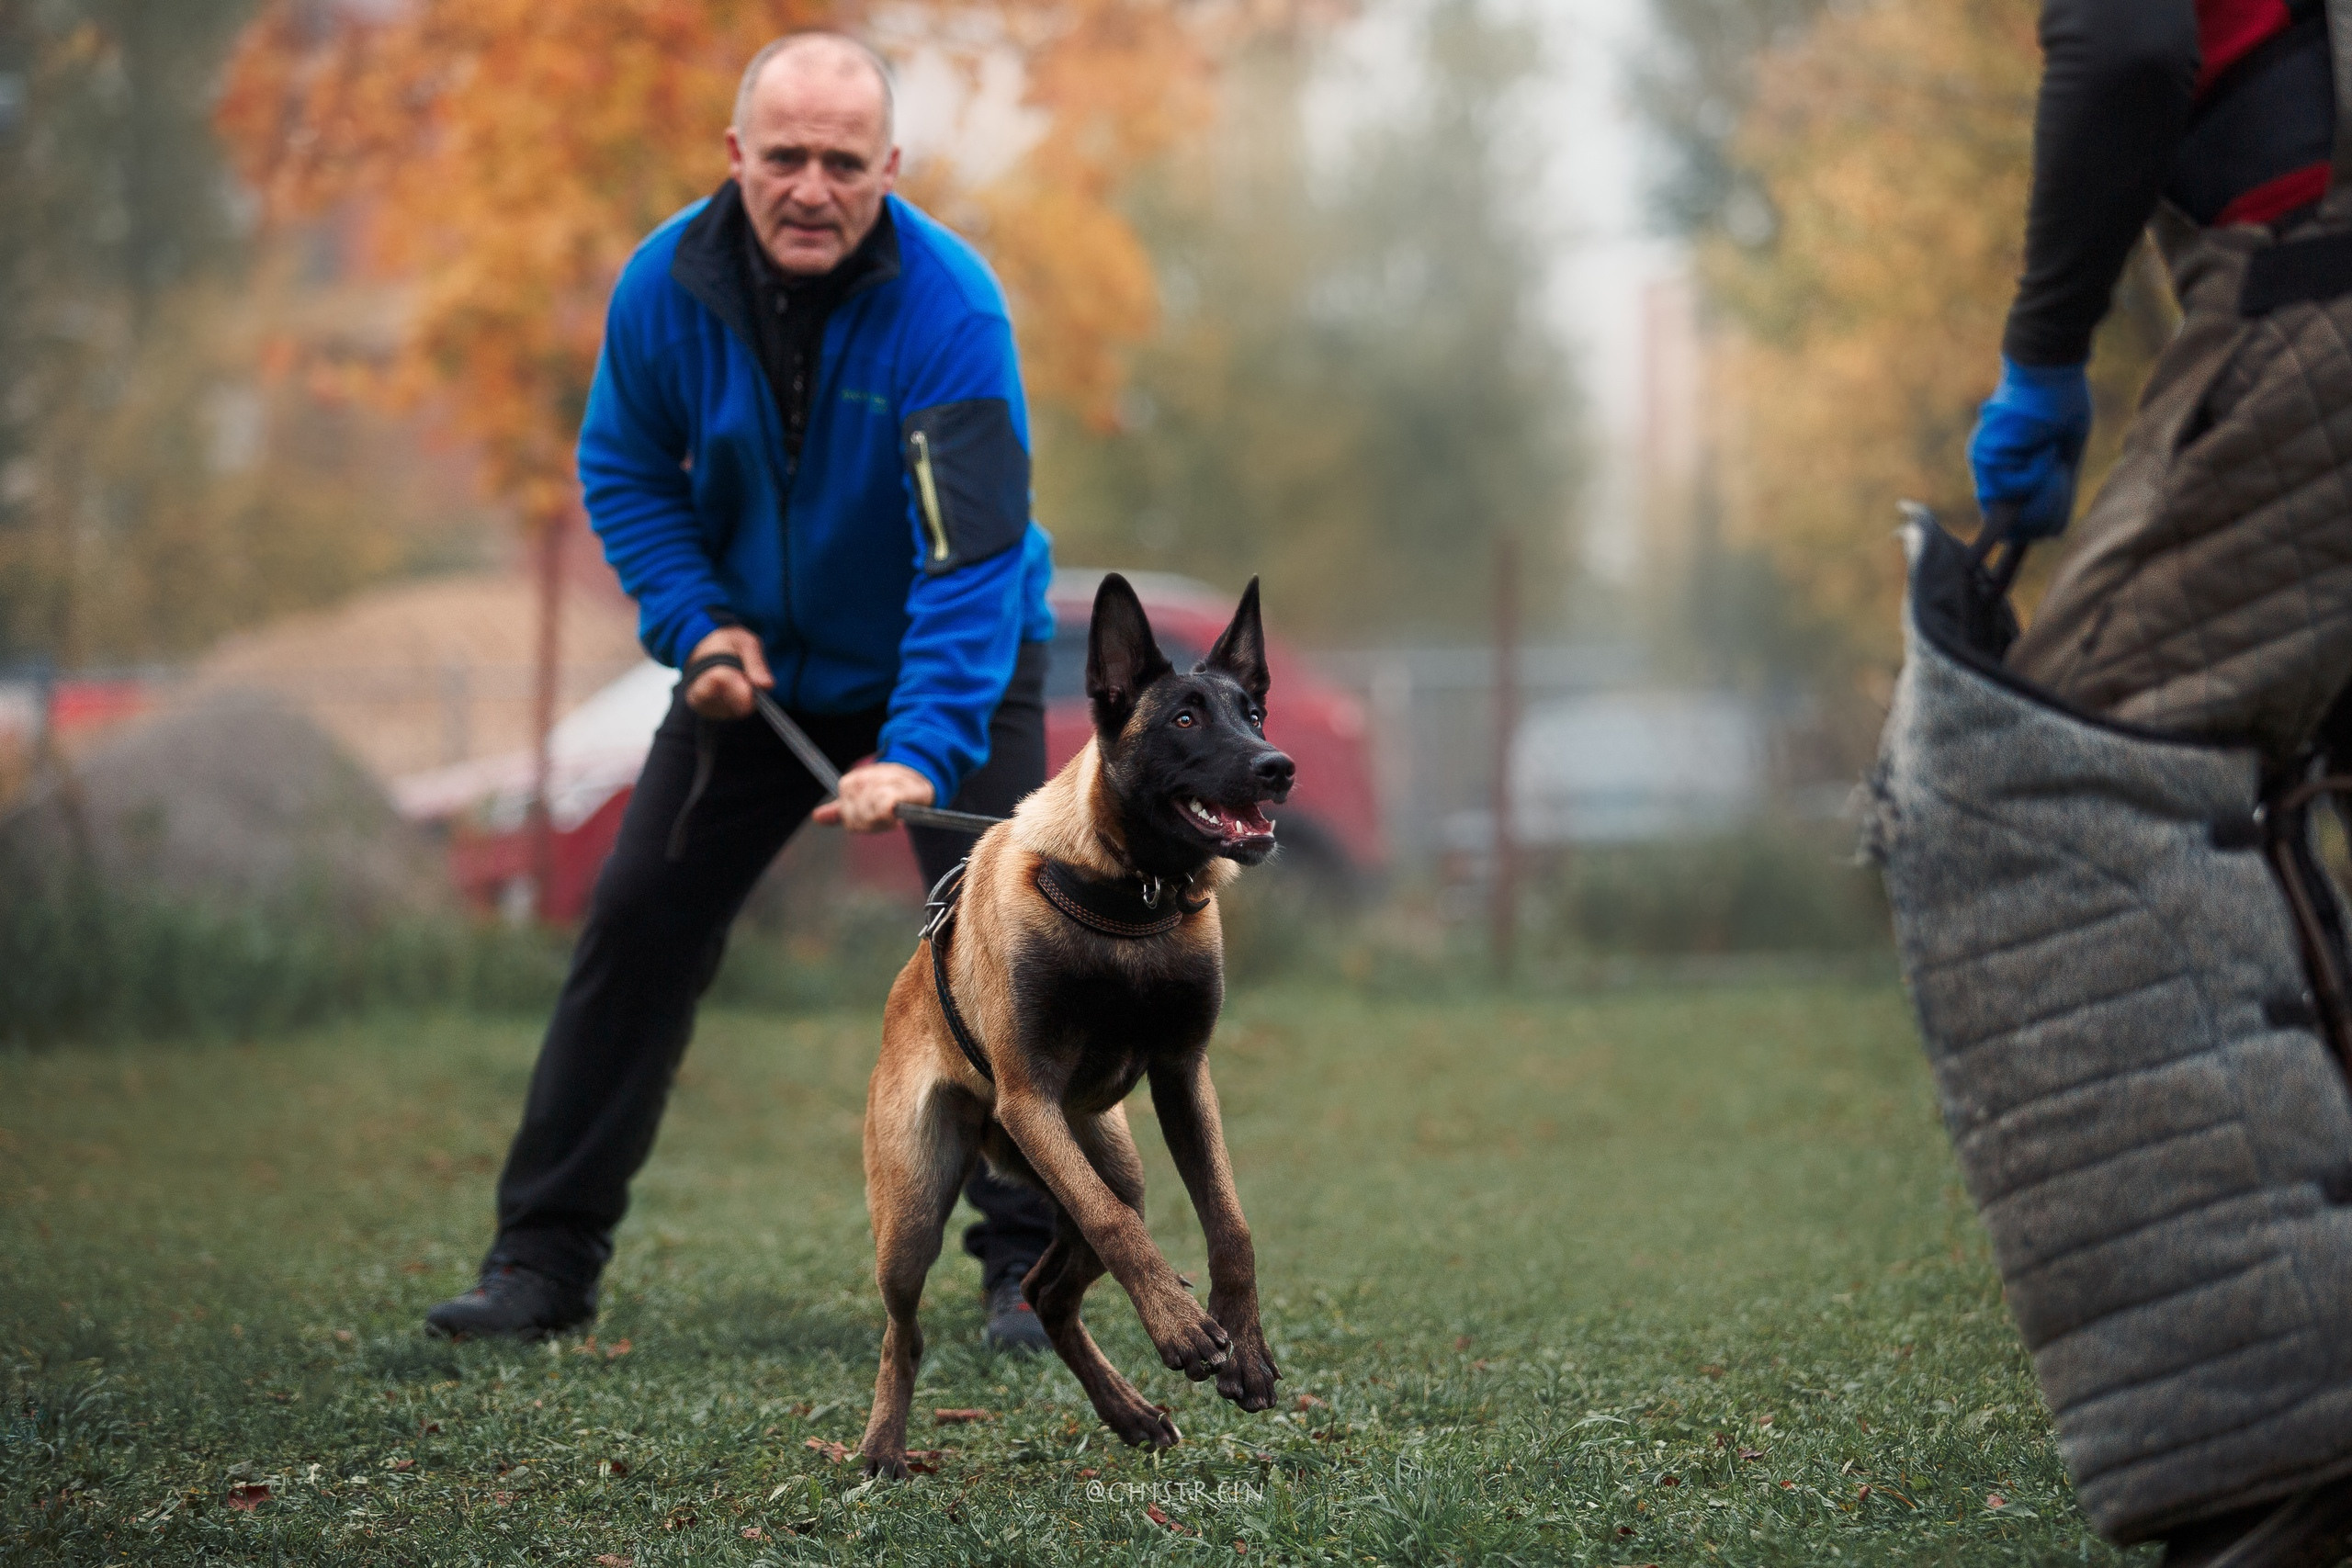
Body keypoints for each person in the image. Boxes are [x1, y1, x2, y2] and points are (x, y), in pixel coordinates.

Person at [426, 32, 1057, 1352]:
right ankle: (539, 1264)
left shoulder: (954, 311)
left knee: (1009, 964)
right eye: (785, 157)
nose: (811, 186)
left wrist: (923, 749)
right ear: (737, 158)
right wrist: (695, 626)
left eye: (842, 161)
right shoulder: (663, 287)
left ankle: (1030, 1273)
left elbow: (972, 553)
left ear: (888, 168)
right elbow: (629, 476)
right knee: (637, 924)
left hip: (956, 662)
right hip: (752, 675)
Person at [1954, 3, 2352, 1563]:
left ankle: (2292, 1448)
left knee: (2059, 771)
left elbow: (2125, 50)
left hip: (2314, 300)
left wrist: (2045, 356)